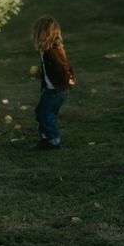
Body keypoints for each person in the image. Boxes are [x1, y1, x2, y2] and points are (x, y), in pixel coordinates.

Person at [32, 16, 75, 151]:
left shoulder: (52, 52)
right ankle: (46, 137)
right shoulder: (46, 51)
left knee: (46, 114)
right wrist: (41, 74)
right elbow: (50, 69)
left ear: (44, 34)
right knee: (41, 112)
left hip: (56, 91)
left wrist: (67, 81)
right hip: (52, 90)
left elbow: (64, 68)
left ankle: (53, 140)